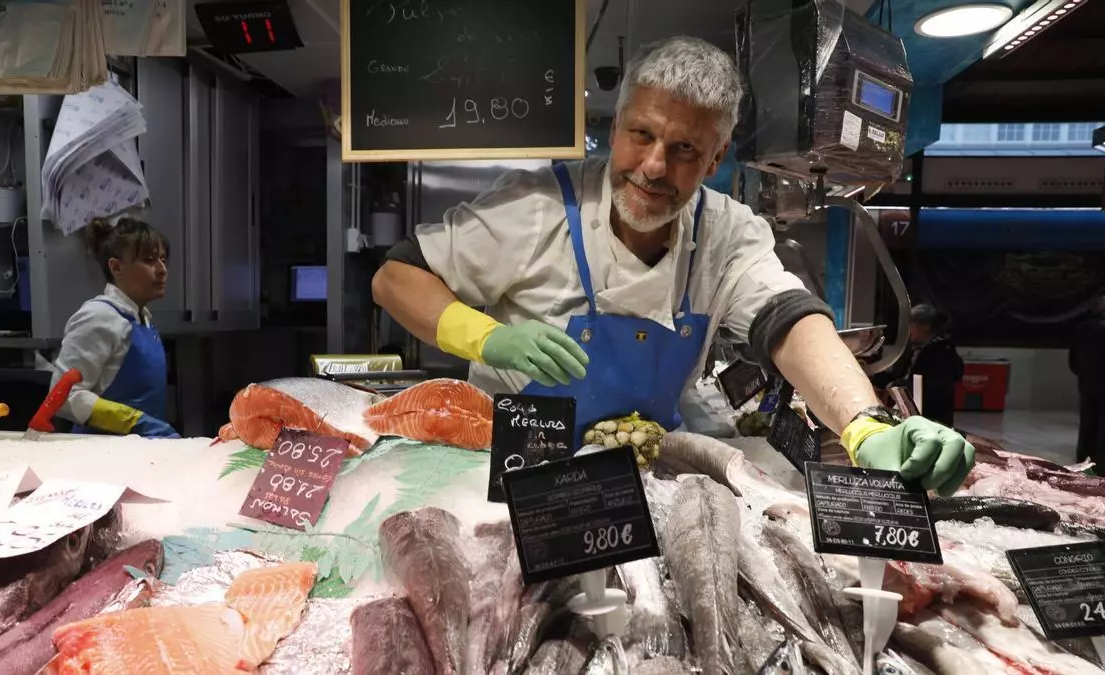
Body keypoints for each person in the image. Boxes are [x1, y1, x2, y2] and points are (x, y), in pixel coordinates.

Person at [372, 36, 975, 495]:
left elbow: (788, 318)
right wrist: (485, 337)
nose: (655, 166)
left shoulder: (728, 232)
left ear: (715, 158)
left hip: (648, 479)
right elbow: (396, 276)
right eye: (641, 134)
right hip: (514, 476)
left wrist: (864, 425)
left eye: (685, 148)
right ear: (616, 127)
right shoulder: (534, 206)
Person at [49, 217, 179, 438]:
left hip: (140, 449)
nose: (162, 269)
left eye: (163, 259)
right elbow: (63, 396)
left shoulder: (142, 319)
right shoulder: (99, 316)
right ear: (116, 267)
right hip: (100, 452)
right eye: (149, 260)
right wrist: (133, 421)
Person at [874, 305, 965, 427]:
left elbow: (931, 386)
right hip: (911, 412)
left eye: (911, 325)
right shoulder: (914, 348)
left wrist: (898, 386)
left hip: (932, 418)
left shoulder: (942, 352)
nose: (908, 330)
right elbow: (898, 373)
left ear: (925, 326)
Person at [1070, 295, 1105, 464]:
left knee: (1087, 422)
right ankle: (1101, 460)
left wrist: (1082, 374)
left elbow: (1073, 359)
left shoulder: (1082, 328)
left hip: (1087, 383)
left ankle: (1083, 456)